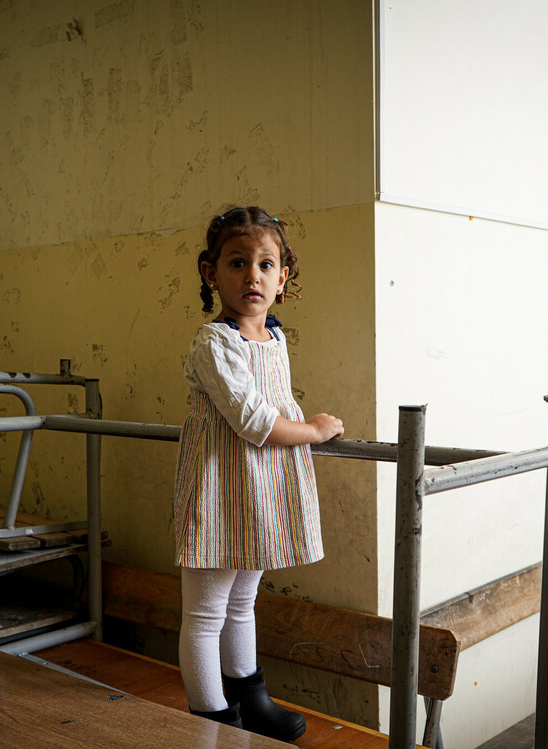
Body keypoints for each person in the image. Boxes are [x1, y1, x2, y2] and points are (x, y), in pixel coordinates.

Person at [172, 205, 344, 741]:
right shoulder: (214, 344)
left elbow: (276, 400)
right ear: (211, 273)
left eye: (266, 264)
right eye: (238, 262)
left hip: (257, 492)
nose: (253, 275)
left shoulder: (274, 338)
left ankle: (250, 696)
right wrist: (313, 431)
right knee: (205, 612)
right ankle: (212, 719)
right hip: (219, 492)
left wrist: (304, 423)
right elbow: (254, 419)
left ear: (282, 278)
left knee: (243, 600)